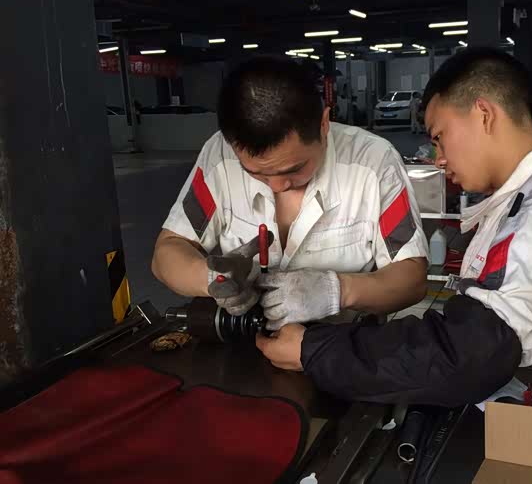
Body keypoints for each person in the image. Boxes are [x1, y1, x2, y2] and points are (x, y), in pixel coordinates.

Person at [256, 48, 532, 407]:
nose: (439, 159)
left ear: (484, 114)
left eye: (439, 137)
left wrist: (313, 350)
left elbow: (467, 354)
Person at [152, 57, 429, 331]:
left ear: (323, 124)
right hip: (246, 345)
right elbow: (167, 252)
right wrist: (212, 278)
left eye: (294, 169)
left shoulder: (374, 162)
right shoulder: (220, 157)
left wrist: (338, 290)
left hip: (344, 346)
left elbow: (412, 278)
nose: (277, 186)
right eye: (256, 173)